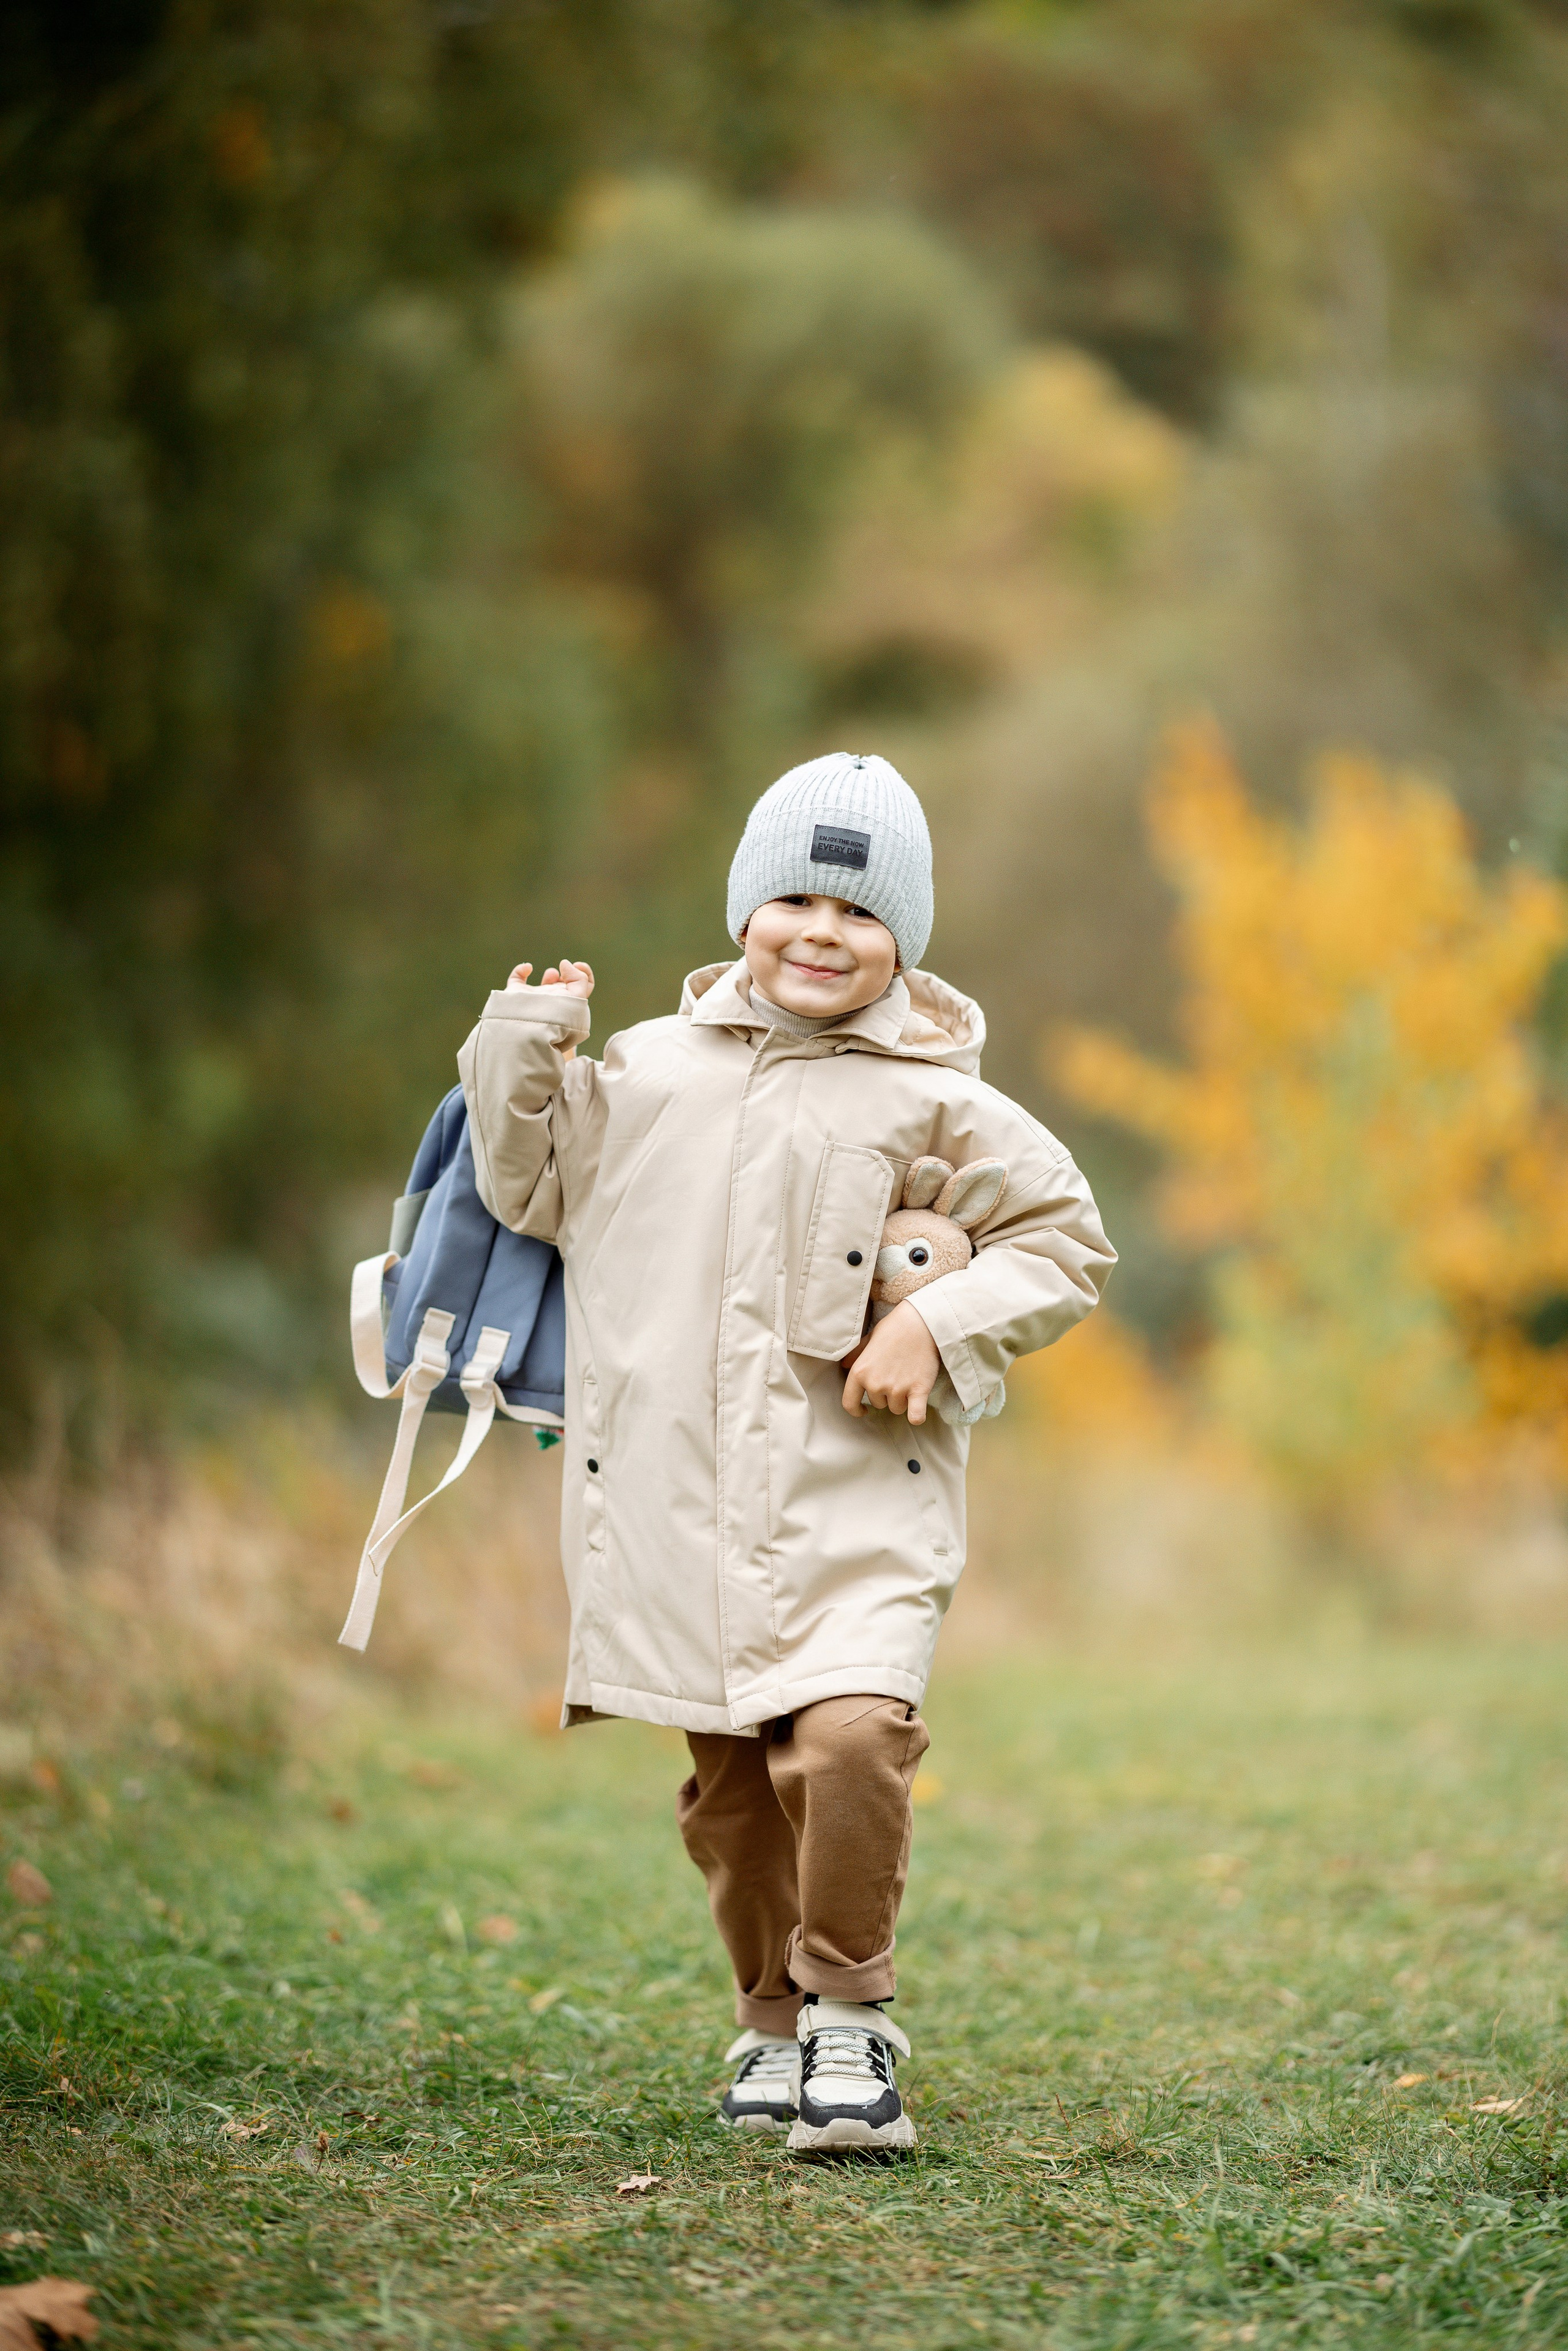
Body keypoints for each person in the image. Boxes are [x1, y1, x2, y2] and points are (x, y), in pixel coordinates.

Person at [458, 752, 1114, 2154]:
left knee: (853, 1738)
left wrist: (932, 1321)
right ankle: (769, 2019)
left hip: (854, 1492)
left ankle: (849, 2016)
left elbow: (1067, 1242)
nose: (821, 931)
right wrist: (525, 1043)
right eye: (794, 899)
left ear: (903, 936)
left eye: (859, 911)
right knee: (734, 1794)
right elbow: (524, 1186)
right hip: (674, 1496)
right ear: (745, 908)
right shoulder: (645, 1071)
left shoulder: (939, 1100)